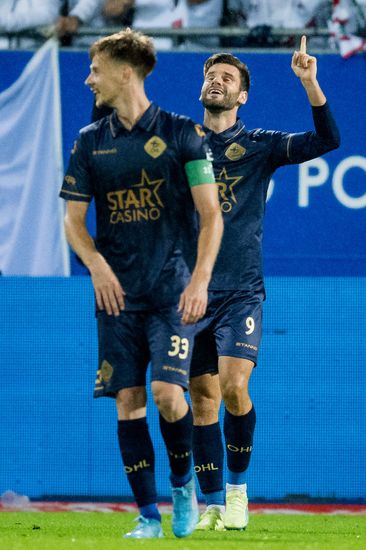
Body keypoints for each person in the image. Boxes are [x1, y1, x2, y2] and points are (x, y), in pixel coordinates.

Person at [59, 28, 223, 538]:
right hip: (116, 297)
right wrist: (97, 264)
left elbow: (212, 216)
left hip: (172, 292)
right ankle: (147, 516)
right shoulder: (89, 143)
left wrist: (199, 281)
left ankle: (181, 488)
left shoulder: (182, 134)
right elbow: (71, 222)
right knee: (128, 402)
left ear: (124, 71)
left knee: (169, 395)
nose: (89, 80)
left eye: (95, 70)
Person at [189, 36, 340, 531]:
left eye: (228, 78)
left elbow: (327, 141)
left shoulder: (260, 146)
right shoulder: (181, 142)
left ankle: (236, 492)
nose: (217, 81)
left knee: (234, 388)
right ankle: (209, 503)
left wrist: (310, 82)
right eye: (212, 75)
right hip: (191, 292)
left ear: (243, 97)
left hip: (240, 291)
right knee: (201, 401)